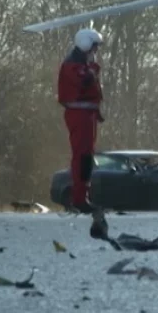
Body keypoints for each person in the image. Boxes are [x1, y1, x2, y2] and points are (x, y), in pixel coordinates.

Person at [57, 28, 105, 213]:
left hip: (88, 115)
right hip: (80, 115)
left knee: (87, 156)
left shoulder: (82, 63)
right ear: (86, 45)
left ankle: (82, 195)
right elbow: (85, 82)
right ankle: (78, 198)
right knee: (82, 157)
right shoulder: (73, 65)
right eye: (94, 47)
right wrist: (92, 68)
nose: (96, 52)